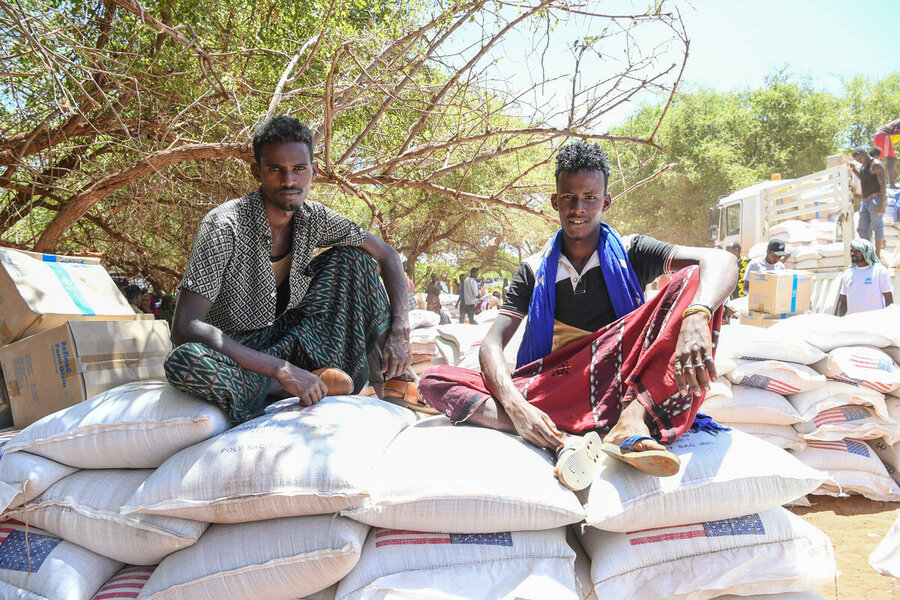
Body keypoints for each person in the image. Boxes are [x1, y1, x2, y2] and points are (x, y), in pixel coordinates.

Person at [418, 140, 736, 491]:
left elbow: (721, 261)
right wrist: (516, 406)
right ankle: (558, 435)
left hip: (624, 381)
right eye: (568, 197)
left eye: (590, 197)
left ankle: (631, 422)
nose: (578, 208)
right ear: (555, 201)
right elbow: (492, 344)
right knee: (434, 380)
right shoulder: (535, 269)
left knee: (694, 280)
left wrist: (697, 316)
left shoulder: (632, 251)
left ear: (606, 201)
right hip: (559, 384)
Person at [165, 115, 412, 424]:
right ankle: (288, 386)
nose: (289, 181)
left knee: (356, 260)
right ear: (257, 171)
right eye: (275, 169)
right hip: (239, 352)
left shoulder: (314, 218)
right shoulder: (225, 224)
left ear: (314, 171)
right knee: (183, 361)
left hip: (295, 339)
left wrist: (401, 331)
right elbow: (186, 327)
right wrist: (279, 370)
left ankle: (395, 381)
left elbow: (387, 254)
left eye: (299, 169)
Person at [835, 239, 894, 316]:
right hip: (853, 323)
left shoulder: (880, 271)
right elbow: (843, 302)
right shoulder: (847, 273)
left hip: (874, 323)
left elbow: (888, 299)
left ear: (867, 252)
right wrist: (841, 322)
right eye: (851, 251)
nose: (852, 254)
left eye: (856, 251)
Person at [851, 146, 887, 259]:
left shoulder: (875, 164)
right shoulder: (863, 166)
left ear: (866, 153)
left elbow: (883, 185)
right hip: (865, 201)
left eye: (861, 158)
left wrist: (881, 202)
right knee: (862, 228)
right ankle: (868, 254)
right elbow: (864, 178)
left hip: (875, 200)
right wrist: (854, 170)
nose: (860, 161)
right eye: (857, 160)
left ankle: (877, 256)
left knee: (877, 227)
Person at [874, 118, 899, 189]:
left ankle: (891, 183)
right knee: (891, 159)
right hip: (883, 136)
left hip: (881, 137)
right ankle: (892, 184)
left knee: (894, 159)